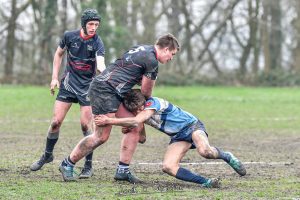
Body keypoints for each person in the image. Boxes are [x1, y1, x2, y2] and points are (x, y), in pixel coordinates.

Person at [59, 33, 180, 182]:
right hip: (105, 90)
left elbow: (125, 71)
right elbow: (146, 92)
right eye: (172, 54)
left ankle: (123, 170)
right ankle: (67, 164)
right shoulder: (152, 61)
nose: (171, 58)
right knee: (100, 136)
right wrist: (145, 107)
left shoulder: (141, 48)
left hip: (113, 90)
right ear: (166, 49)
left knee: (134, 125)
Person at [94, 89, 247, 188]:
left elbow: (137, 119)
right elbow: (142, 139)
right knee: (168, 166)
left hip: (192, 126)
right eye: (137, 110)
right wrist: (132, 129)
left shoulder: (154, 103)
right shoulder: (140, 116)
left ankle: (227, 156)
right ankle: (206, 182)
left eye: (141, 107)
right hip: (178, 137)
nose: (140, 110)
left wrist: (109, 121)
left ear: (144, 102)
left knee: (205, 151)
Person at [30, 8, 106, 179]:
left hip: (88, 87)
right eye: (91, 24)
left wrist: (105, 74)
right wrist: (54, 78)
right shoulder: (69, 36)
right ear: (84, 24)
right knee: (56, 122)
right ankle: (47, 155)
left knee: (86, 126)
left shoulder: (98, 42)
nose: (94, 27)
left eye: (96, 24)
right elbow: (58, 54)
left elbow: (101, 64)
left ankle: (88, 165)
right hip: (68, 84)